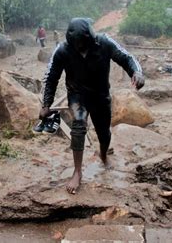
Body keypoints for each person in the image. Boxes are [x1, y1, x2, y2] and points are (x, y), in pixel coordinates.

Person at [39, 18, 144, 194]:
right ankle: (77, 172)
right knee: (78, 126)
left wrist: (137, 72)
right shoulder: (63, 50)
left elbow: (126, 57)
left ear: (90, 38)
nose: (80, 47)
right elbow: (51, 77)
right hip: (77, 95)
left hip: (100, 95)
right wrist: (47, 103)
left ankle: (103, 154)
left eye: (83, 43)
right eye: (76, 45)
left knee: (104, 134)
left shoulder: (104, 42)